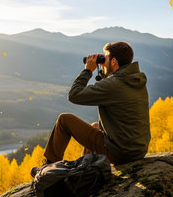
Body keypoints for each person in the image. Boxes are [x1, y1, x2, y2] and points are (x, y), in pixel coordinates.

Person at [32, 41, 150, 176]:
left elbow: (74, 95)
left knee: (64, 120)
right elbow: (114, 85)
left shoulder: (112, 85)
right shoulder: (135, 79)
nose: (103, 62)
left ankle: (46, 171)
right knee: (95, 126)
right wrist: (106, 70)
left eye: (105, 58)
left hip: (120, 153)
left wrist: (88, 70)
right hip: (138, 149)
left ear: (114, 62)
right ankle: (87, 168)